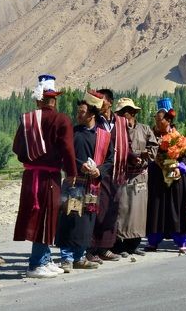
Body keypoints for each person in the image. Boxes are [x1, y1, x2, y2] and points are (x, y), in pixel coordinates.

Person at [12, 74, 76, 279]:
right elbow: (68, 149)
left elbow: (17, 148)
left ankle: (45, 259)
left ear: (38, 100)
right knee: (45, 218)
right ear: (54, 99)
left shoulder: (27, 119)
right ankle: (36, 264)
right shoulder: (61, 119)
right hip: (49, 177)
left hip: (31, 176)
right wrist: (72, 172)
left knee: (41, 217)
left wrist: (31, 160)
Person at [57, 91, 114, 271]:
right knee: (70, 219)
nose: (77, 115)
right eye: (78, 112)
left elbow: (110, 160)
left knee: (87, 222)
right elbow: (65, 156)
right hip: (74, 184)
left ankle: (80, 257)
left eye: (81, 112)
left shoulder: (104, 136)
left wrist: (99, 170)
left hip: (92, 185)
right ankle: (66, 258)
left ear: (92, 114)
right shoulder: (72, 134)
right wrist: (80, 166)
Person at [145, 99, 186, 252]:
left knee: (176, 208)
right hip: (157, 178)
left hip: (175, 179)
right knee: (156, 208)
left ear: (168, 120)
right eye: (155, 119)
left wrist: (180, 167)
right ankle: (154, 240)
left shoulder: (178, 137)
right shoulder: (151, 135)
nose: (156, 121)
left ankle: (181, 240)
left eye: (159, 119)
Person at [112, 97, 158, 257]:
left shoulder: (145, 129)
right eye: (121, 112)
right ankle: (118, 246)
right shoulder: (115, 132)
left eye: (127, 112)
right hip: (122, 176)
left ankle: (134, 245)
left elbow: (154, 147)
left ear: (132, 113)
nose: (124, 115)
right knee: (122, 210)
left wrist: (146, 155)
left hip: (140, 177)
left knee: (138, 211)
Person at [88, 88, 127, 263]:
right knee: (98, 208)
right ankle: (91, 248)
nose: (98, 104)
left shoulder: (119, 122)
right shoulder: (95, 121)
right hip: (100, 170)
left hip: (117, 171)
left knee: (113, 208)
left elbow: (127, 143)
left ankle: (106, 247)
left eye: (101, 100)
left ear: (109, 102)